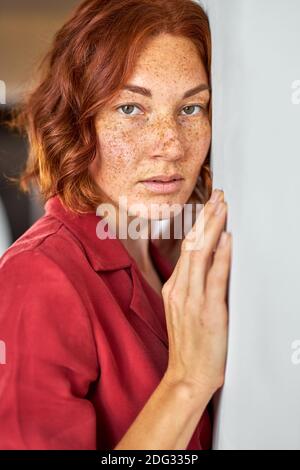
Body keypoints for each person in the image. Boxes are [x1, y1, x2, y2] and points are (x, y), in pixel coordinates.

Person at [0, 0, 232, 450]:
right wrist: (186, 383)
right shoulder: (37, 278)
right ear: (76, 122)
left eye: (191, 109)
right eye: (130, 108)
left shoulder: (167, 259)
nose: (168, 145)